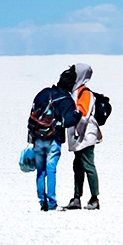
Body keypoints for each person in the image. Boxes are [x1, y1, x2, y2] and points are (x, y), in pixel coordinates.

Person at [27, 66, 82, 211]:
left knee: (41, 170)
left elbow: (32, 116)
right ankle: (51, 203)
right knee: (51, 169)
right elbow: (68, 120)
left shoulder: (42, 93)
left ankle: (42, 202)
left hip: (38, 138)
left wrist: (30, 139)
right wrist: (78, 114)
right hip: (53, 138)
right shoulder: (66, 99)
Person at [64, 63, 102, 210]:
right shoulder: (76, 92)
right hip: (80, 136)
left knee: (88, 165)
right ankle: (76, 197)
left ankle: (94, 198)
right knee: (78, 166)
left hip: (85, 135)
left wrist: (77, 132)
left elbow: (83, 115)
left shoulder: (84, 93)